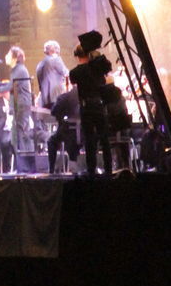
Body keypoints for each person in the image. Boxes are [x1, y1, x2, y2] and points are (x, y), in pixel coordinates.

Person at [69, 29, 113, 177]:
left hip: (86, 107)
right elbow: (106, 71)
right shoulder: (98, 67)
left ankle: (91, 170)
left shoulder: (76, 72)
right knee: (104, 138)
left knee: (90, 140)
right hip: (99, 106)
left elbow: (73, 78)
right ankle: (108, 169)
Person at [2, 45, 33, 164]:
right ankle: (22, 166)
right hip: (19, 106)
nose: (6, 56)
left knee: (19, 137)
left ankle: (25, 166)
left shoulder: (19, 70)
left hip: (21, 106)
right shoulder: (16, 70)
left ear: (14, 58)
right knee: (16, 137)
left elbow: (10, 87)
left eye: (8, 54)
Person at [47, 85, 80, 172]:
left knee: (51, 142)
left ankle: (51, 170)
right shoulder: (89, 97)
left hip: (68, 132)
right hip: (87, 132)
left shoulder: (65, 97)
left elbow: (54, 111)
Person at [35, 40, 69, 110]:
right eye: (58, 50)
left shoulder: (39, 65)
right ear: (54, 50)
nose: (58, 53)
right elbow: (66, 73)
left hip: (44, 101)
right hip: (56, 98)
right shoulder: (55, 59)